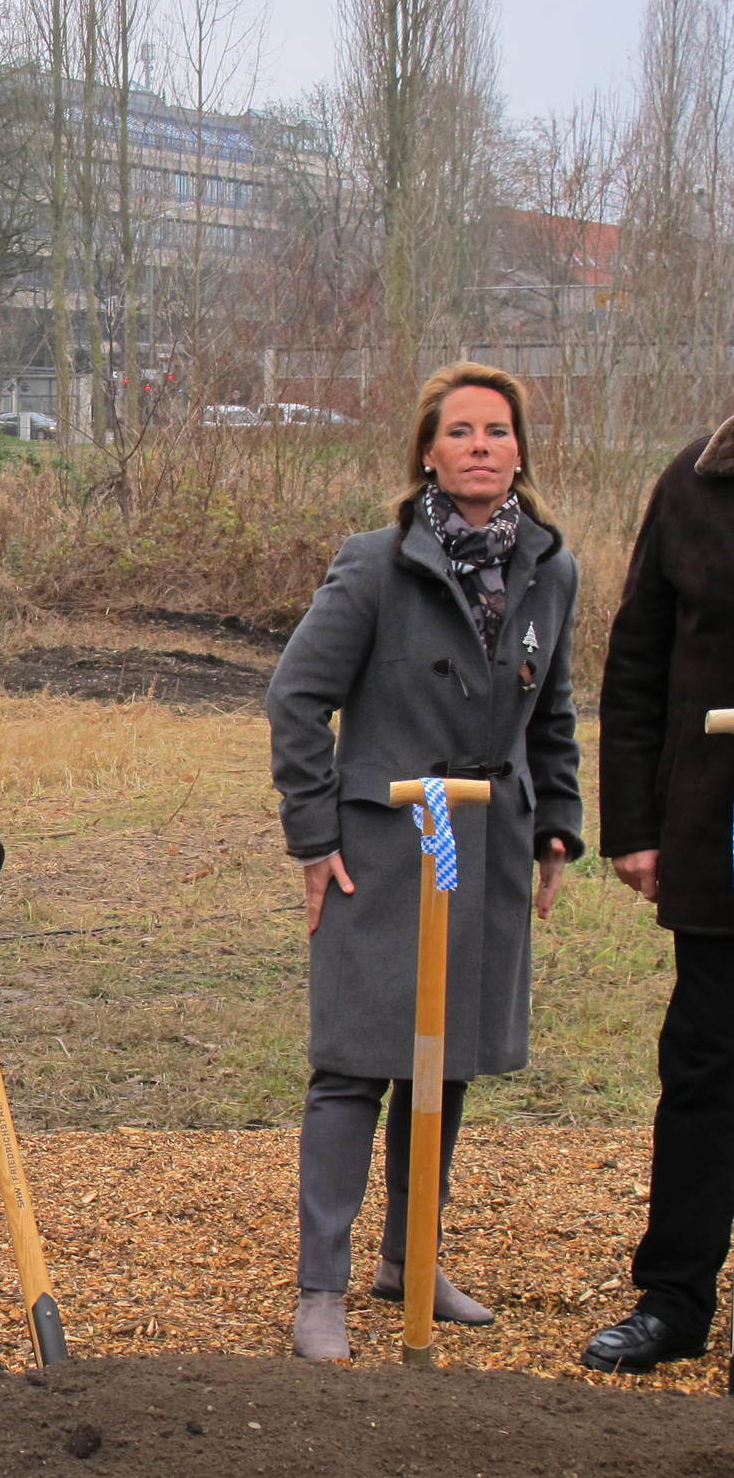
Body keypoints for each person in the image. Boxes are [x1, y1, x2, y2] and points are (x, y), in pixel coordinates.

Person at [266, 361, 581, 1362]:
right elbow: (294, 699)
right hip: (380, 849)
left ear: (518, 450)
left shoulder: (549, 567)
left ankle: (409, 1257)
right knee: (355, 1062)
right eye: (459, 432)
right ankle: (320, 1286)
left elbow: (554, 709)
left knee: (443, 1068)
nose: (480, 446)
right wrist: (315, 835)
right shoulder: (374, 565)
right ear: (426, 452)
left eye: (496, 431)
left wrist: (555, 822)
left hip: (485, 847)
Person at [581, 406, 734, 1374]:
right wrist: (635, 825)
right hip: (717, 831)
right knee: (704, 1069)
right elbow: (634, 665)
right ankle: (674, 1298)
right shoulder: (694, 482)